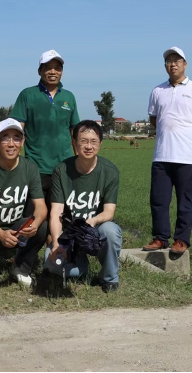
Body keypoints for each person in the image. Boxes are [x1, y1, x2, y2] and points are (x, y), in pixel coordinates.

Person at [143, 47, 192, 256]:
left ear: (185, 64)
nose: (172, 64)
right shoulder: (157, 91)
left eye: (177, 61)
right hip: (162, 154)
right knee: (159, 198)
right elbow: (154, 118)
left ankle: (181, 239)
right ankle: (160, 238)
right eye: (169, 61)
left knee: (185, 199)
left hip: (186, 155)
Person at [44, 120, 122, 293]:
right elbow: (56, 211)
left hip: (95, 230)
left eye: (93, 141)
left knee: (111, 231)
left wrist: (92, 221)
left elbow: (109, 212)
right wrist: (57, 243)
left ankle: (109, 278)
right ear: (74, 143)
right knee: (51, 264)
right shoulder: (61, 170)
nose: (88, 146)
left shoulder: (110, 172)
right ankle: (81, 266)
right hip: (70, 233)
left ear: (100, 144)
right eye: (83, 141)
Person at [0, 118, 49, 288]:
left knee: (42, 226)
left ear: (22, 142)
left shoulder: (30, 168)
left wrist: (35, 224)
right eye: (5, 138)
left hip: (16, 226)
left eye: (16, 138)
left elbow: (40, 206)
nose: (11, 143)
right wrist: (1, 234)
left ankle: (21, 267)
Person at [10, 50, 80, 204]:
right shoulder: (27, 95)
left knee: (62, 215)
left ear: (62, 71)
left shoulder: (69, 97)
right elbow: (16, 131)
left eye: (57, 68)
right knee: (37, 217)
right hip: (36, 167)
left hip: (65, 167)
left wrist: (79, 163)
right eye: (48, 68)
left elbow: (75, 134)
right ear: (39, 71)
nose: (53, 72)